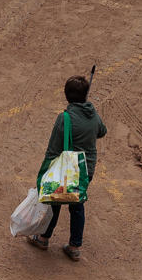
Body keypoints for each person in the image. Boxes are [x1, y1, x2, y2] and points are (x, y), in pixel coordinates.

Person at [30, 76, 107, 260]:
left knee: (55, 202)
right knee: (77, 206)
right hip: (85, 170)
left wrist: (44, 173)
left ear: (67, 96)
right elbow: (102, 131)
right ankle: (74, 246)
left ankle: (44, 238)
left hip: (65, 169)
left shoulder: (64, 118)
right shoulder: (94, 116)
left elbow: (53, 149)